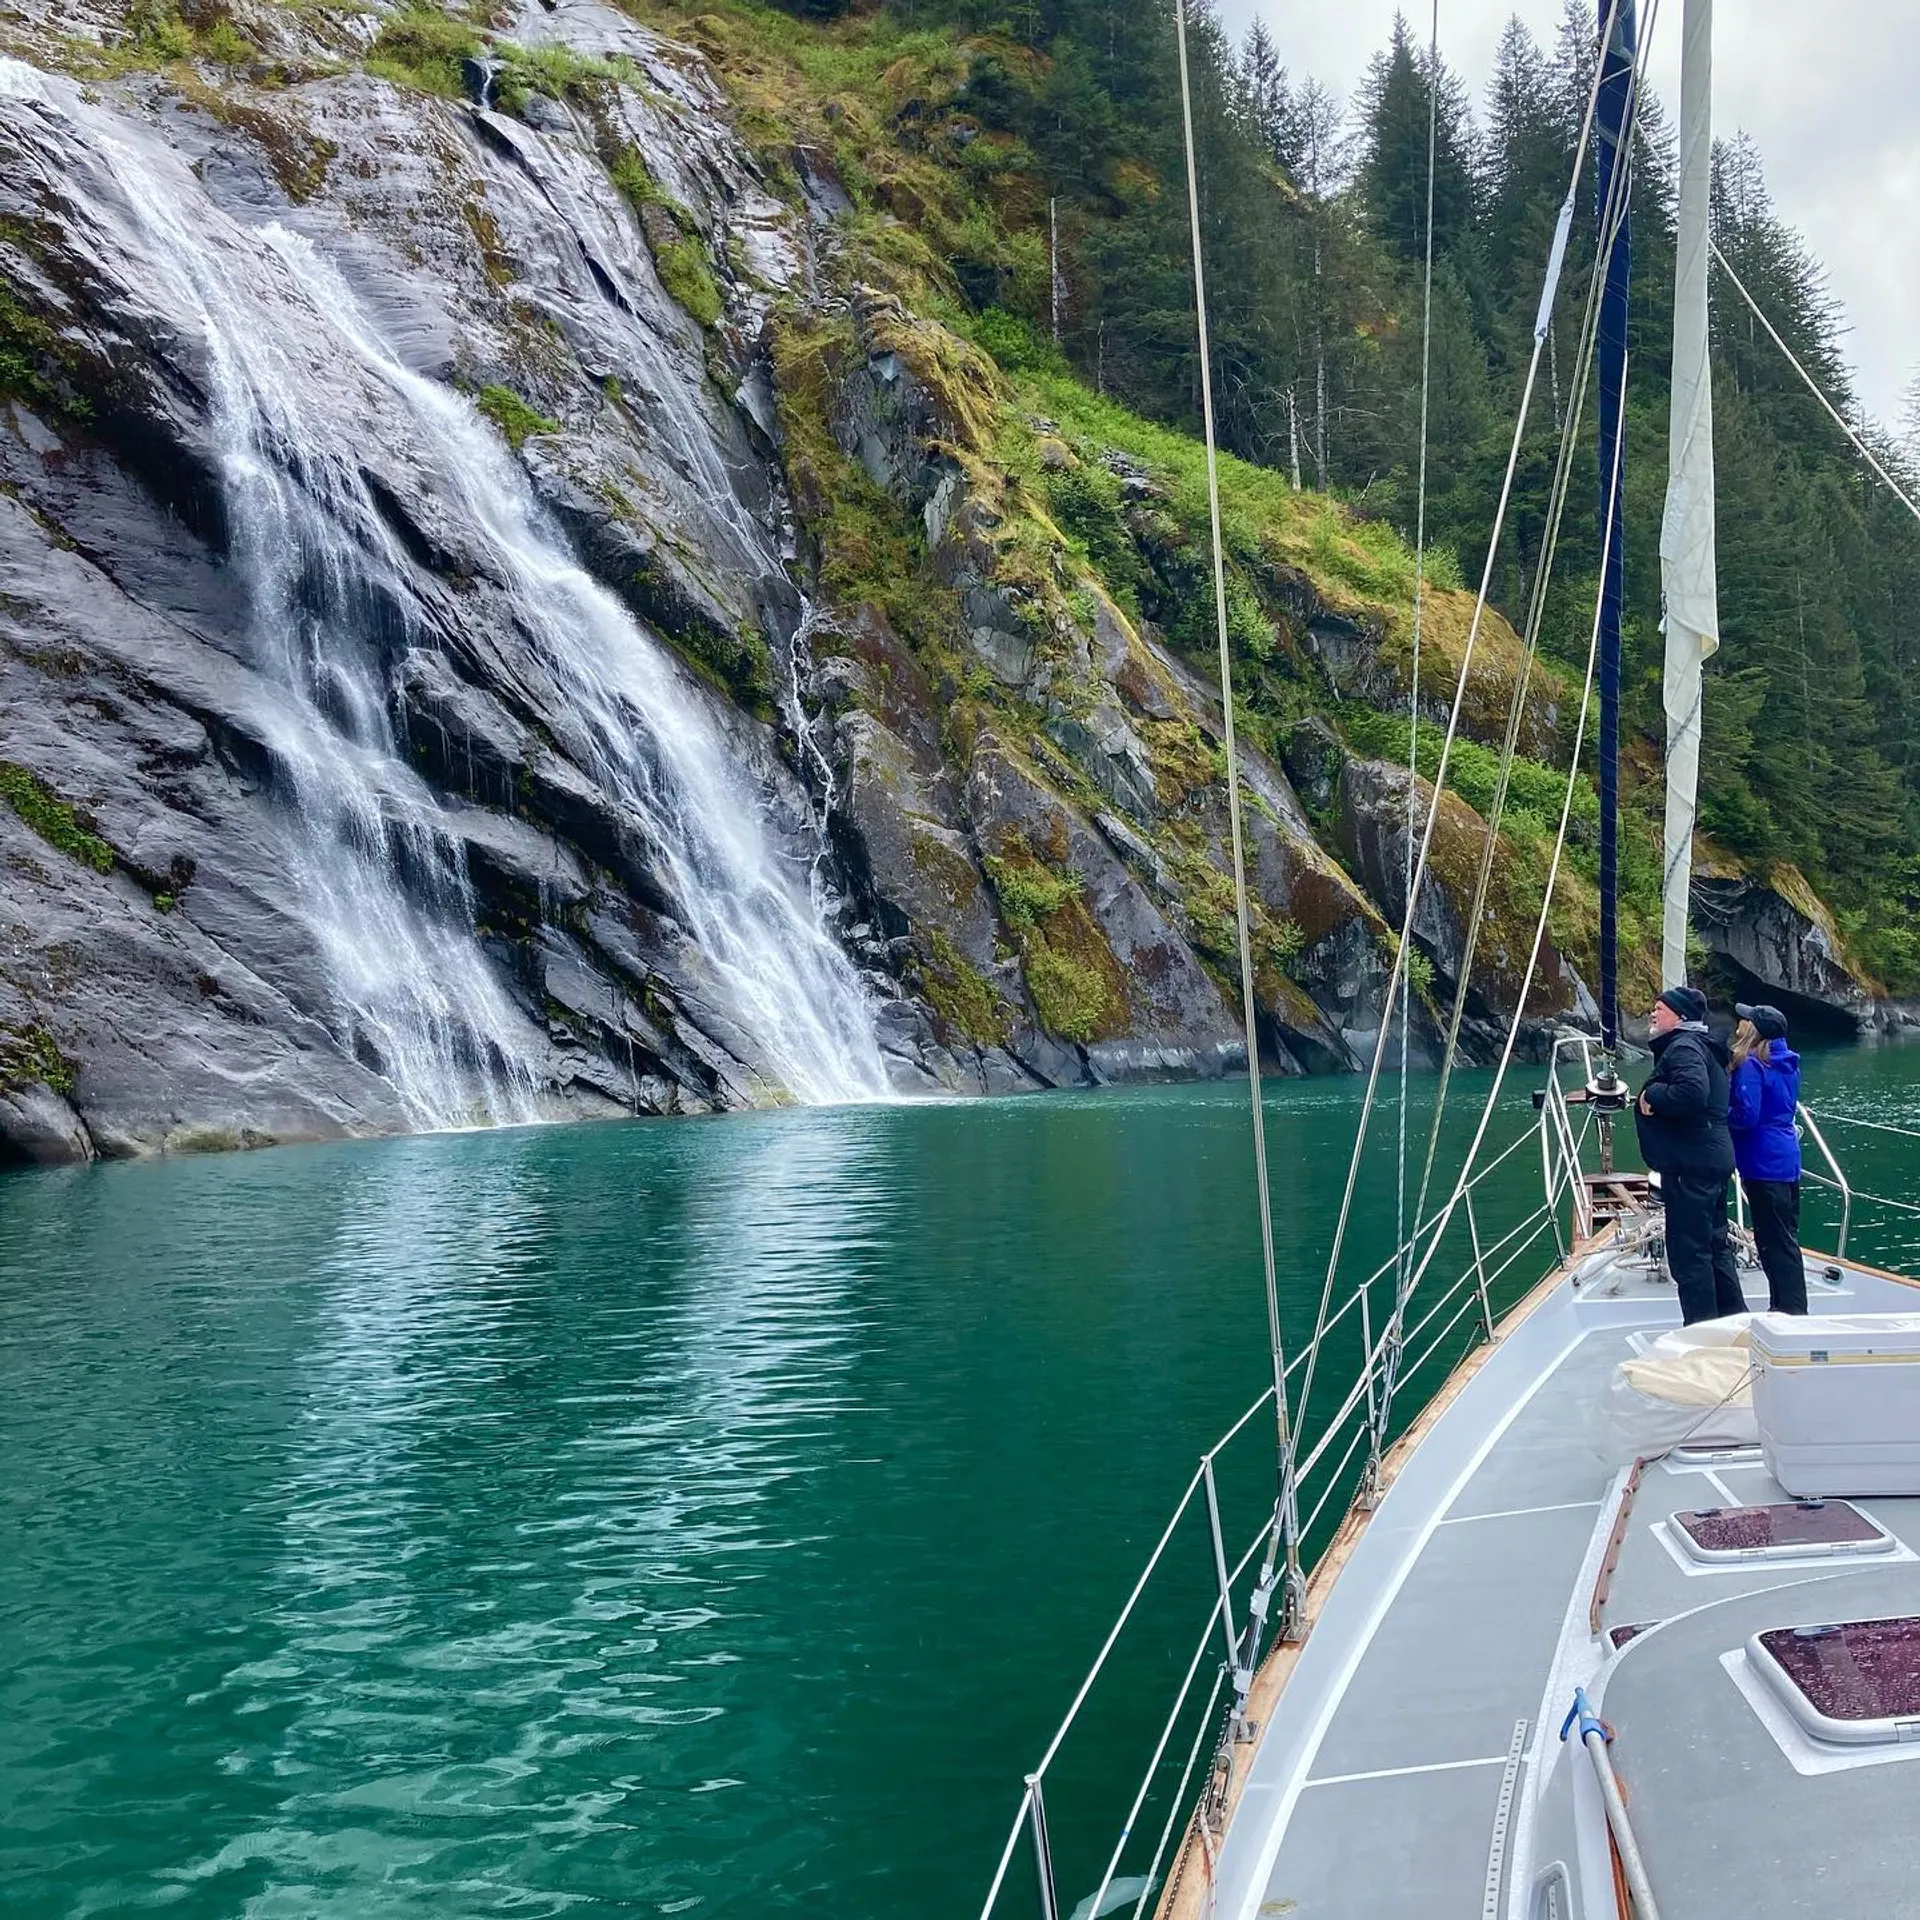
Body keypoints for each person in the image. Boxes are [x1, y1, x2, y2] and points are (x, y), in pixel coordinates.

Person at [1635, 984, 1745, 1323]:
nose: (1653, 1013)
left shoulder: (1683, 1046)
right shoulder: (1705, 1045)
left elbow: (1692, 1092)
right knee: (1714, 1246)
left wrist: (1652, 1093)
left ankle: (1700, 1332)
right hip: (1708, 1158)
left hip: (1691, 1164)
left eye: (1660, 1009)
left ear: (1680, 1016)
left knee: (1689, 1253)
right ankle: (1732, 1322)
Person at [1728, 1003, 1808, 1313]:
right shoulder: (1789, 1062)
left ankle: (1790, 1311)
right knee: (1785, 1237)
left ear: (1753, 1029)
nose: (1739, 1022)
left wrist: (1717, 1114)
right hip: (1786, 1157)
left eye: (1745, 1019)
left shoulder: (1752, 1064)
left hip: (1761, 1160)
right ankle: (1787, 1306)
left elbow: (1747, 1115)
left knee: (1772, 1239)